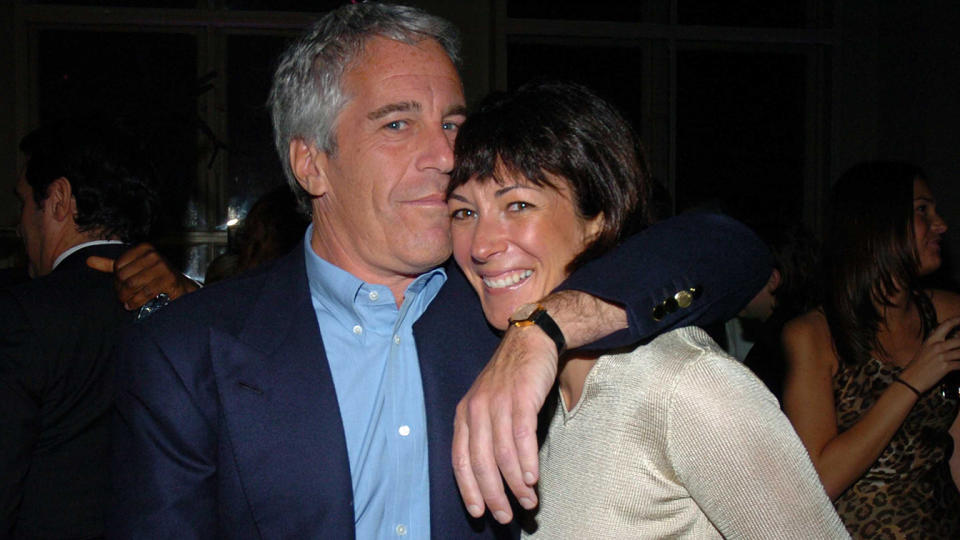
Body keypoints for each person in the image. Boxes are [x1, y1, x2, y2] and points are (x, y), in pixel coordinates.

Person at [109, 4, 771, 538]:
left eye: (453, 123)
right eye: (399, 124)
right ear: (311, 163)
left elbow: (729, 251)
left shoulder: (507, 294)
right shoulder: (188, 351)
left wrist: (543, 329)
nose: (446, 156)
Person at [447, 80, 847, 538]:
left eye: (518, 204)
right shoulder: (541, 392)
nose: (480, 245)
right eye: (463, 213)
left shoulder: (685, 385)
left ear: (598, 219)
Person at [782, 161, 960, 538]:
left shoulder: (946, 313)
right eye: (922, 211)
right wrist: (911, 383)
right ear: (877, 224)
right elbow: (819, 481)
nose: (940, 224)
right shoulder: (815, 336)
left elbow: (953, 444)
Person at [0, 119, 157, 538]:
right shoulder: (183, 306)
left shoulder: (24, 315)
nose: (19, 225)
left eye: (23, 202)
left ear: (59, 200)